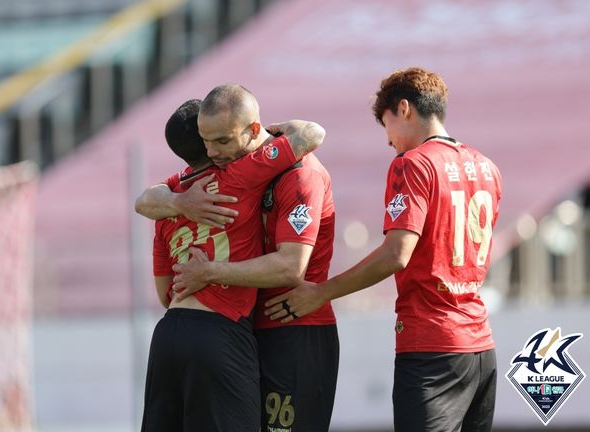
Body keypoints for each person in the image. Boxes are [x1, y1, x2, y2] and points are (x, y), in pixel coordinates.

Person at [264, 67, 502, 432]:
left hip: (432, 345)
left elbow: (396, 254)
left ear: (403, 108)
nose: (388, 140)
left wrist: (322, 292)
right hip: (481, 349)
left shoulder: (413, 164)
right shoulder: (487, 167)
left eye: (386, 124)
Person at [137, 94, 340, 431]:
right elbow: (313, 133)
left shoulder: (169, 198)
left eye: (222, 140)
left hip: (171, 334)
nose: (216, 151)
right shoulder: (240, 175)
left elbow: (164, 290)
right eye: (209, 142)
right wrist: (286, 129)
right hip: (226, 333)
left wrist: (204, 264)